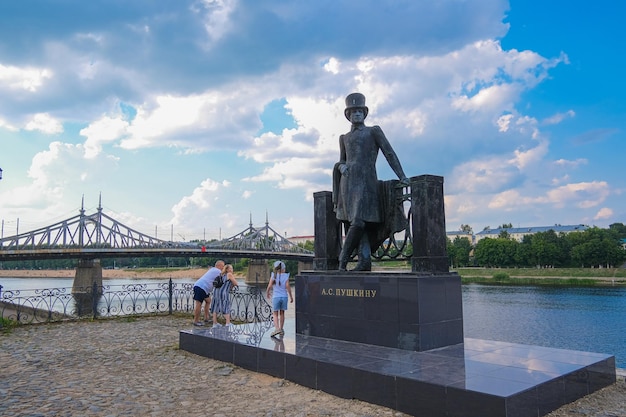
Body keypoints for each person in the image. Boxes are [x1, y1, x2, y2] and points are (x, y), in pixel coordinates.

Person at [333, 92, 409, 271]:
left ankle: (342, 260)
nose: (357, 114)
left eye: (360, 111)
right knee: (359, 224)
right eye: (353, 111)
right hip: (348, 184)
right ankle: (364, 261)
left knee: (359, 222)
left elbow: (389, 153)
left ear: (365, 113)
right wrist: (340, 167)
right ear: (348, 115)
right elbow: (342, 160)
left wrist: (402, 176)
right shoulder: (344, 138)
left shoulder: (373, 131)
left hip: (367, 184)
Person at [192, 260, 225, 326]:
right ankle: (196, 321)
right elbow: (224, 277)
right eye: (223, 266)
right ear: (219, 266)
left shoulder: (212, 269)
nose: (223, 268)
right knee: (199, 304)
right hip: (201, 287)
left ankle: (206, 317)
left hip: (203, 287)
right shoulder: (218, 271)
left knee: (208, 301)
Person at [265, 260, 293, 337]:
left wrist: (267, 292)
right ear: (283, 269)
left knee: (275, 313)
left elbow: (270, 285)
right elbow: (288, 286)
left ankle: (277, 329)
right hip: (284, 297)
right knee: (282, 313)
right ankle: (281, 329)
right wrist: (291, 296)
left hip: (276, 297)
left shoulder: (273, 275)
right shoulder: (286, 276)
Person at [210, 263, 239, 327]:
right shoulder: (229, 274)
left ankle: (214, 323)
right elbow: (236, 283)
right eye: (231, 268)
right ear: (227, 269)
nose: (232, 270)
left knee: (215, 306)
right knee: (226, 306)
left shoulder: (221, 274)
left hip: (216, 292)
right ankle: (227, 323)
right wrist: (232, 286)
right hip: (223, 293)